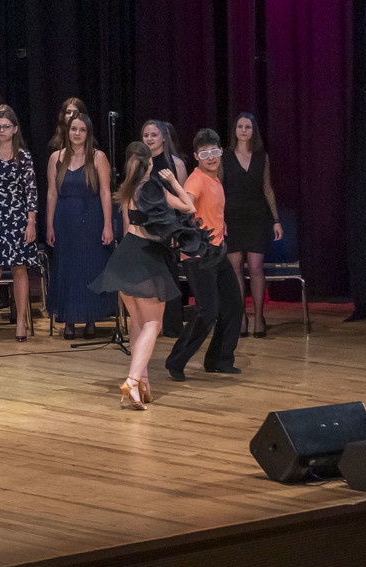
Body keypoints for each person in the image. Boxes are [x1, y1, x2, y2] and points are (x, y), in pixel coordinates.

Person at [91, 143, 197, 410]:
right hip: (146, 258)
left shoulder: (128, 189)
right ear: (150, 163)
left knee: (138, 323)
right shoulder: (154, 189)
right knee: (153, 324)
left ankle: (142, 383)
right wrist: (173, 181)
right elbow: (189, 207)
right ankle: (132, 380)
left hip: (126, 255)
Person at [165, 131, 241, 379]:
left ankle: (219, 360)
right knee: (208, 310)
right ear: (197, 156)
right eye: (205, 153)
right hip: (199, 254)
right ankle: (176, 361)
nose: (211, 157)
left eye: (215, 152)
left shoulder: (215, 179)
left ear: (221, 152)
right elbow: (187, 203)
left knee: (233, 306)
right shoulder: (196, 181)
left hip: (217, 251)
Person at [45, 112, 115, 339]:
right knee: (67, 269)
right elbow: (52, 193)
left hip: (91, 218)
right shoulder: (56, 158)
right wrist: (49, 225)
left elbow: (105, 192)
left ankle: (91, 318)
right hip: (65, 219)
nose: (77, 133)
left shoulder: (98, 157)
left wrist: (108, 225)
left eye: (82, 130)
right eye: (74, 129)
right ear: (67, 131)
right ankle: (69, 319)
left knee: (90, 267)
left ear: (88, 133)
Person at [0, 104, 40, 342]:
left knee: (20, 268)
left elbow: (31, 192)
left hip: (17, 220)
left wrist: (31, 222)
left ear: (15, 129)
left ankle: (21, 321)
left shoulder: (23, 156)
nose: (1, 130)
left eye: (6, 126)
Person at [223, 113, 283, 338]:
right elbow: (217, 188)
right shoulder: (224, 156)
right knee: (236, 268)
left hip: (257, 218)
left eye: (247, 127)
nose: (243, 130)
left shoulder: (261, 157)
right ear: (235, 130)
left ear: (253, 130)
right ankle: (241, 317)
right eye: (240, 126)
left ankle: (258, 317)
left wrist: (276, 220)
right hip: (231, 218)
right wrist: (219, 219)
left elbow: (267, 188)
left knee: (256, 267)